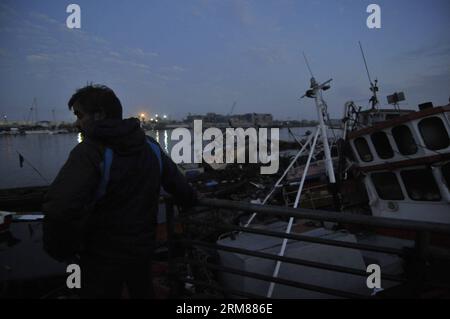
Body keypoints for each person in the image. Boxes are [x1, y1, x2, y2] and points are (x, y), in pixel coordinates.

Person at [43, 84, 197, 298]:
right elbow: (180, 187)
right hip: (142, 249)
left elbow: (60, 207)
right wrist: (192, 201)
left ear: (99, 115)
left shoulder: (89, 151)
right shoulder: (150, 146)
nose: (76, 122)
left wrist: (59, 249)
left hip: (99, 255)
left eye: (80, 115)